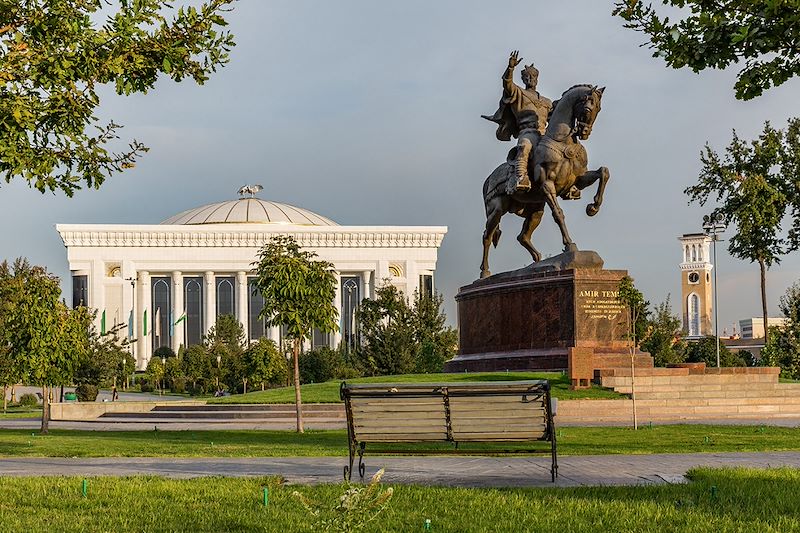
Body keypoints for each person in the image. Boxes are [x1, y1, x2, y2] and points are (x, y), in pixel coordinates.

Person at [482, 50, 552, 192]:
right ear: (523, 79)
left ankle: (570, 183)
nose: (530, 79)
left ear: (537, 79)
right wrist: (511, 68)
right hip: (528, 132)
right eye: (527, 77)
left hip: (545, 134)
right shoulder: (518, 93)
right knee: (524, 147)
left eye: (533, 77)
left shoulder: (546, 102)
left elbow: (556, 117)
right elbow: (507, 84)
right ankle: (520, 177)